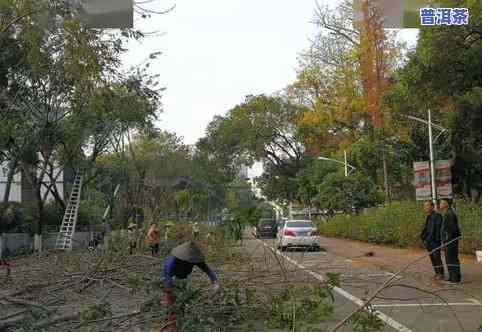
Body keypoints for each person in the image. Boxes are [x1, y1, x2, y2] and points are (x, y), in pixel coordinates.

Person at [162, 241, 220, 331]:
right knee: (171, 303)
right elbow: (167, 274)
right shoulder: (171, 260)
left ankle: (179, 318)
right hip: (171, 277)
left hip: (183, 278)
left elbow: (208, 270)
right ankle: (171, 326)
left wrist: (215, 282)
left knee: (183, 300)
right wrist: (169, 286)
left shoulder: (194, 258)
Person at [420, 201, 444, 282]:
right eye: (424, 206)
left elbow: (437, 230)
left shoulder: (438, 216)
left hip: (435, 241)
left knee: (437, 257)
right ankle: (436, 272)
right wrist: (423, 238)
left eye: (427, 206)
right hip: (428, 241)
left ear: (432, 207)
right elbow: (425, 229)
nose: (425, 207)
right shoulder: (428, 216)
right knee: (432, 258)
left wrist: (435, 240)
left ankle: (441, 273)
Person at [440, 199, 462, 284]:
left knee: (452, 259)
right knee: (448, 259)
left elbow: (453, 229)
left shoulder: (450, 214)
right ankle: (451, 277)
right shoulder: (447, 213)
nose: (440, 204)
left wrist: (448, 239)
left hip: (451, 241)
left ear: (446, 204)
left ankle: (455, 278)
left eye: (441, 203)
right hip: (448, 240)